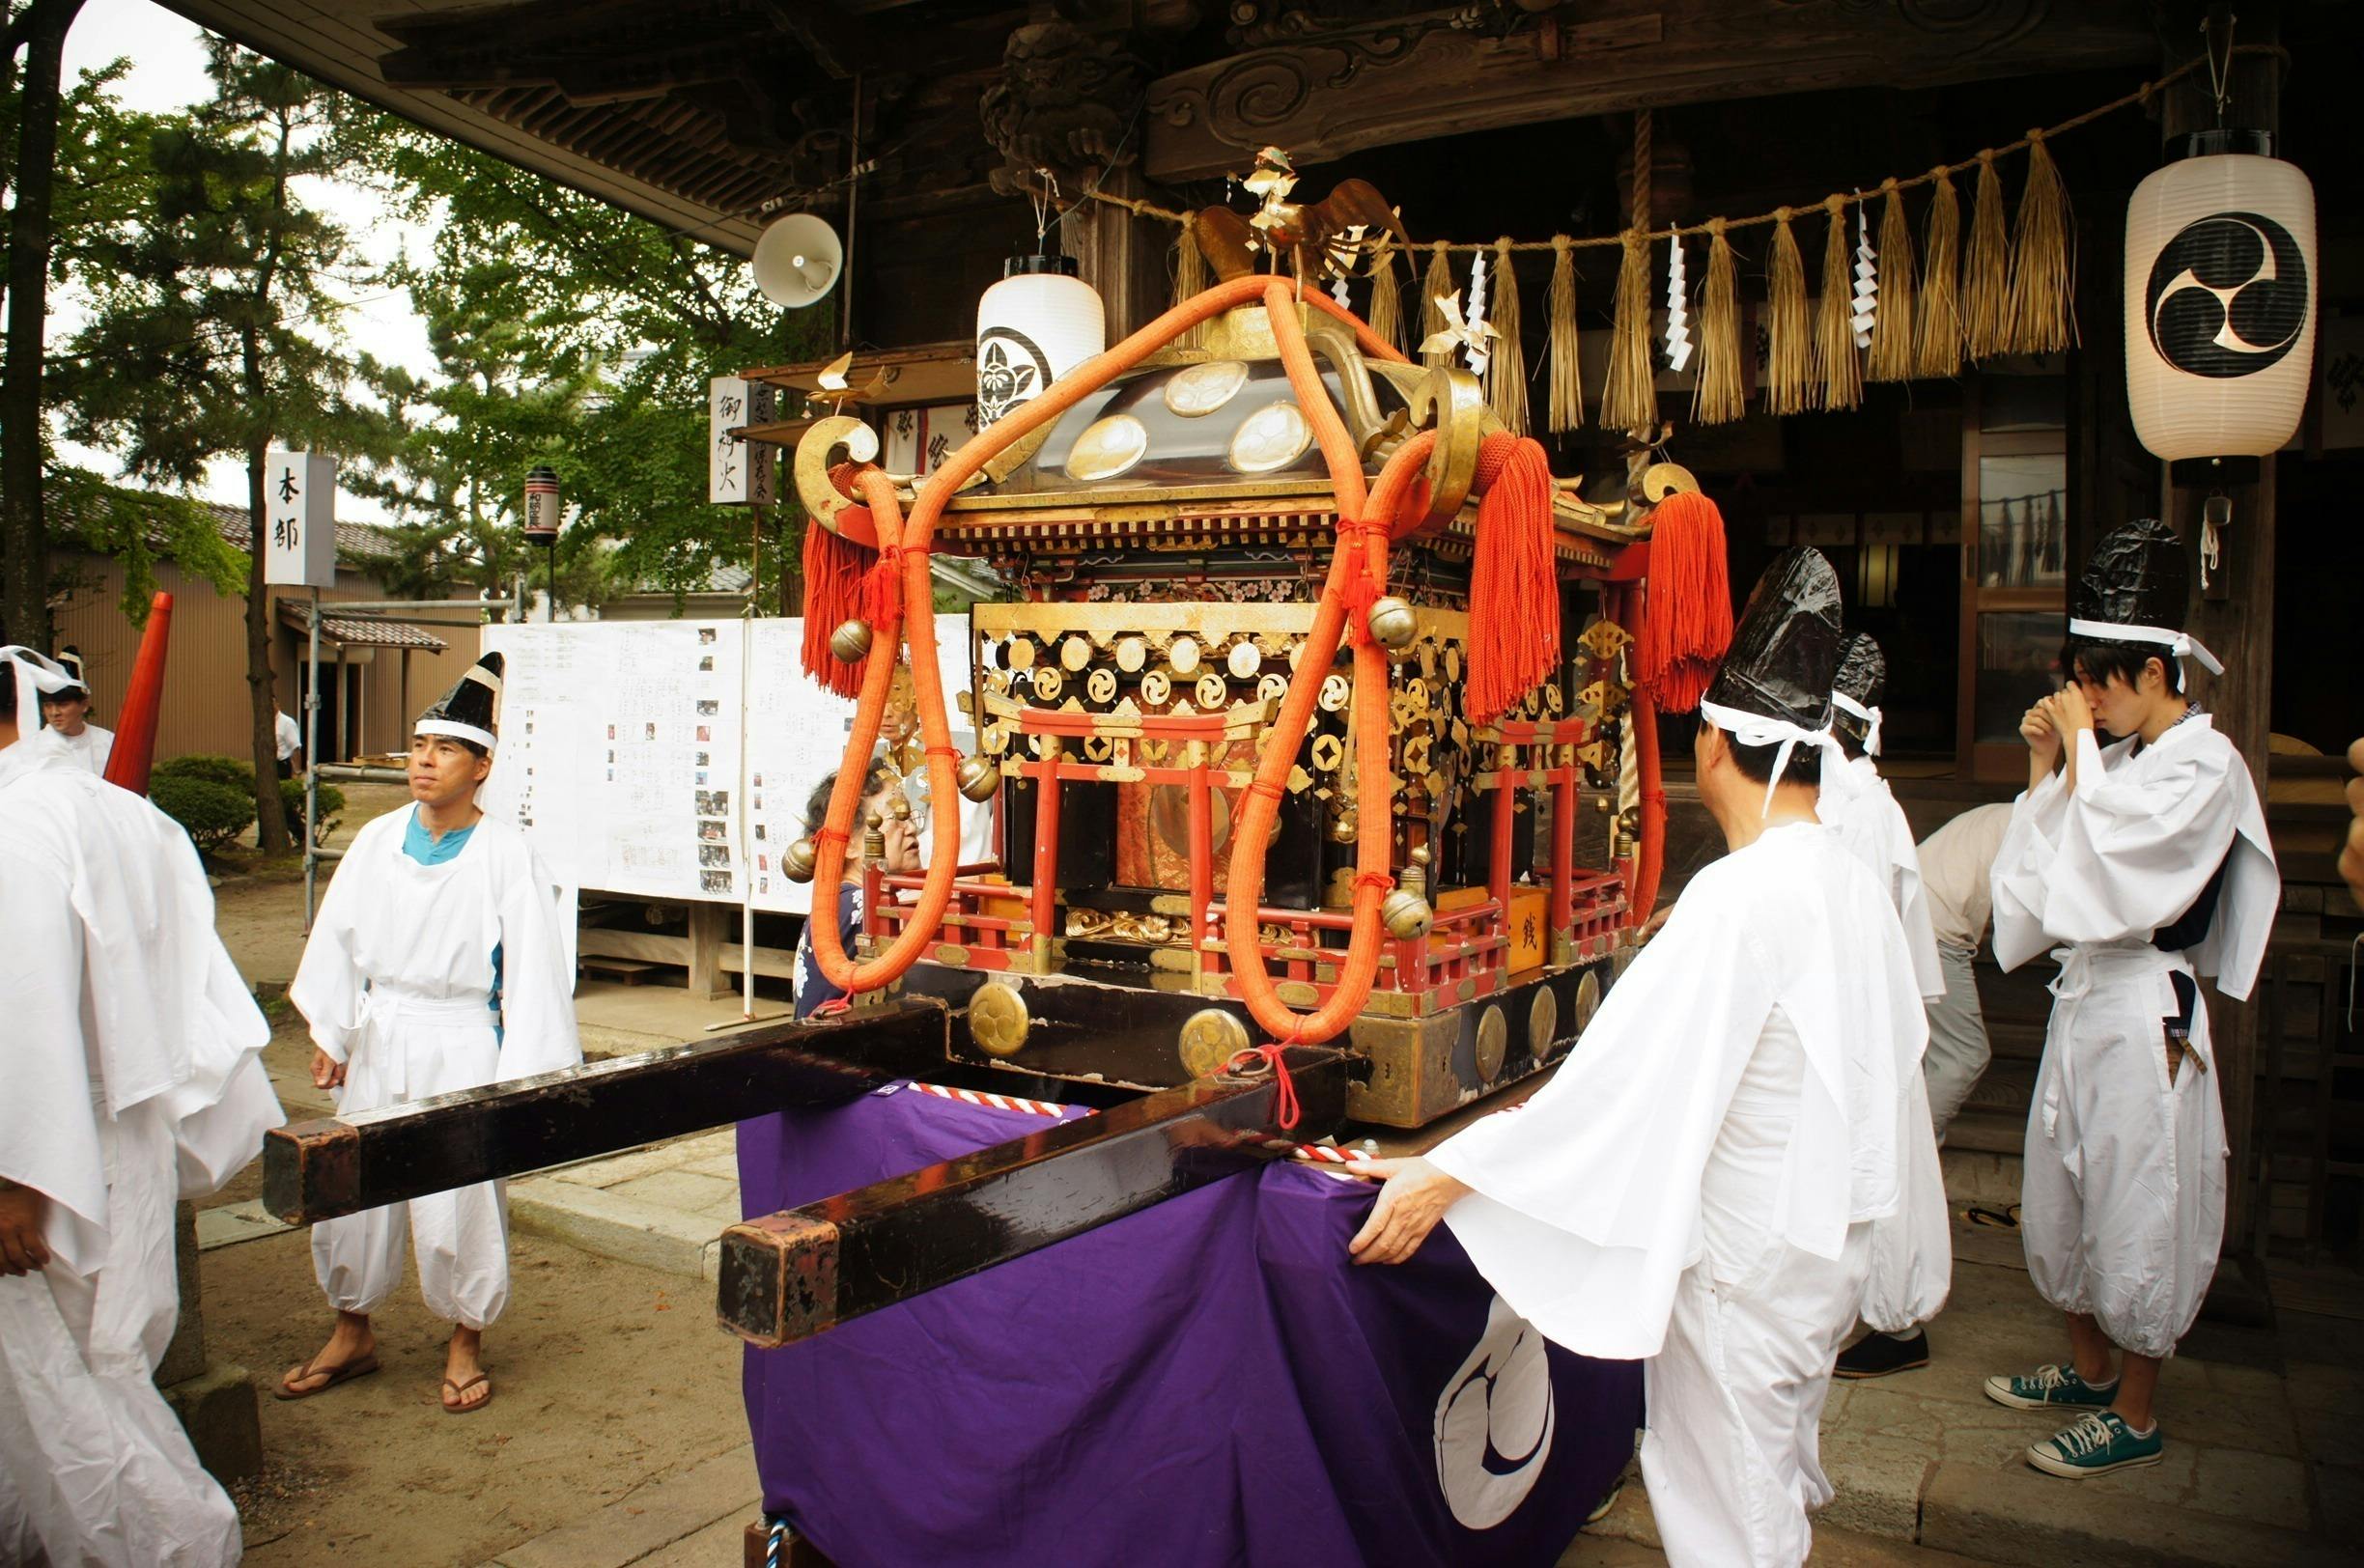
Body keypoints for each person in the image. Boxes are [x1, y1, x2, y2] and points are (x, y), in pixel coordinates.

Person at [1345, 551, 1928, 1567]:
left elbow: (1623, 1090)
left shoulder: (1744, 897)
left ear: (1713, 743)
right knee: (1767, 1482)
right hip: (1823, 1247)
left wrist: (1455, 1170)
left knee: (1734, 1511)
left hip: (1750, 1267)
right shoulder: (1846, 877)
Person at [1984, 518, 2276, 1479]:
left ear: (2158, 673)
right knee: (2060, 1187)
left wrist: (2082, 752)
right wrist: (2050, 767)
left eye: (2105, 677)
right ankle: (2091, 1367)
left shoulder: (2207, 762)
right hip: (2086, 993)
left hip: (2149, 1000)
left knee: (2142, 1194)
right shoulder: (2122, 759)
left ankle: (2138, 1410)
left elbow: (2128, 865)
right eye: (2086, 678)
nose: (2095, 696)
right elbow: (2044, 875)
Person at [0, 645, 284, 1567]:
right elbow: (199, 982)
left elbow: (27, 1005)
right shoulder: (125, 813)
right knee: (97, 1374)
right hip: (122, 1129)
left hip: (56, 1146)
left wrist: (15, 1172)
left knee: (70, 1389)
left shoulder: (21, 820)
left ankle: (179, 1549)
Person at [282, 653, 581, 1414]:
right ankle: (353, 1328)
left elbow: (535, 977)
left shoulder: (505, 853)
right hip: (384, 1029)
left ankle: (464, 1337)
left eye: (444, 749)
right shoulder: (378, 840)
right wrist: (335, 1031)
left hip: (460, 1037)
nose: (424, 762)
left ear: (481, 766)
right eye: (419, 747)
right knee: (354, 1186)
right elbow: (337, 943)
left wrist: (524, 1080)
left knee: (462, 1195)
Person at [1816, 635, 1951, 1382]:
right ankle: (1879, 1310)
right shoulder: (1865, 792)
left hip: (1862, 1005)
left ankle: (1892, 1318)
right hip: (1867, 1003)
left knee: (1879, 1156)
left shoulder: (1854, 799)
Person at [792, 760, 919, 1020]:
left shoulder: (841, 901)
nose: (912, 828)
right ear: (847, 844)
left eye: (911, 816)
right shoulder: (858, 905)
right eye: (896, 818)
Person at [34, 645, 115, 776]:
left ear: (84, 705)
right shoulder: (34, 748)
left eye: (63, 704)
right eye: (48, 705)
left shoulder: (108, 742)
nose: (54, 712)